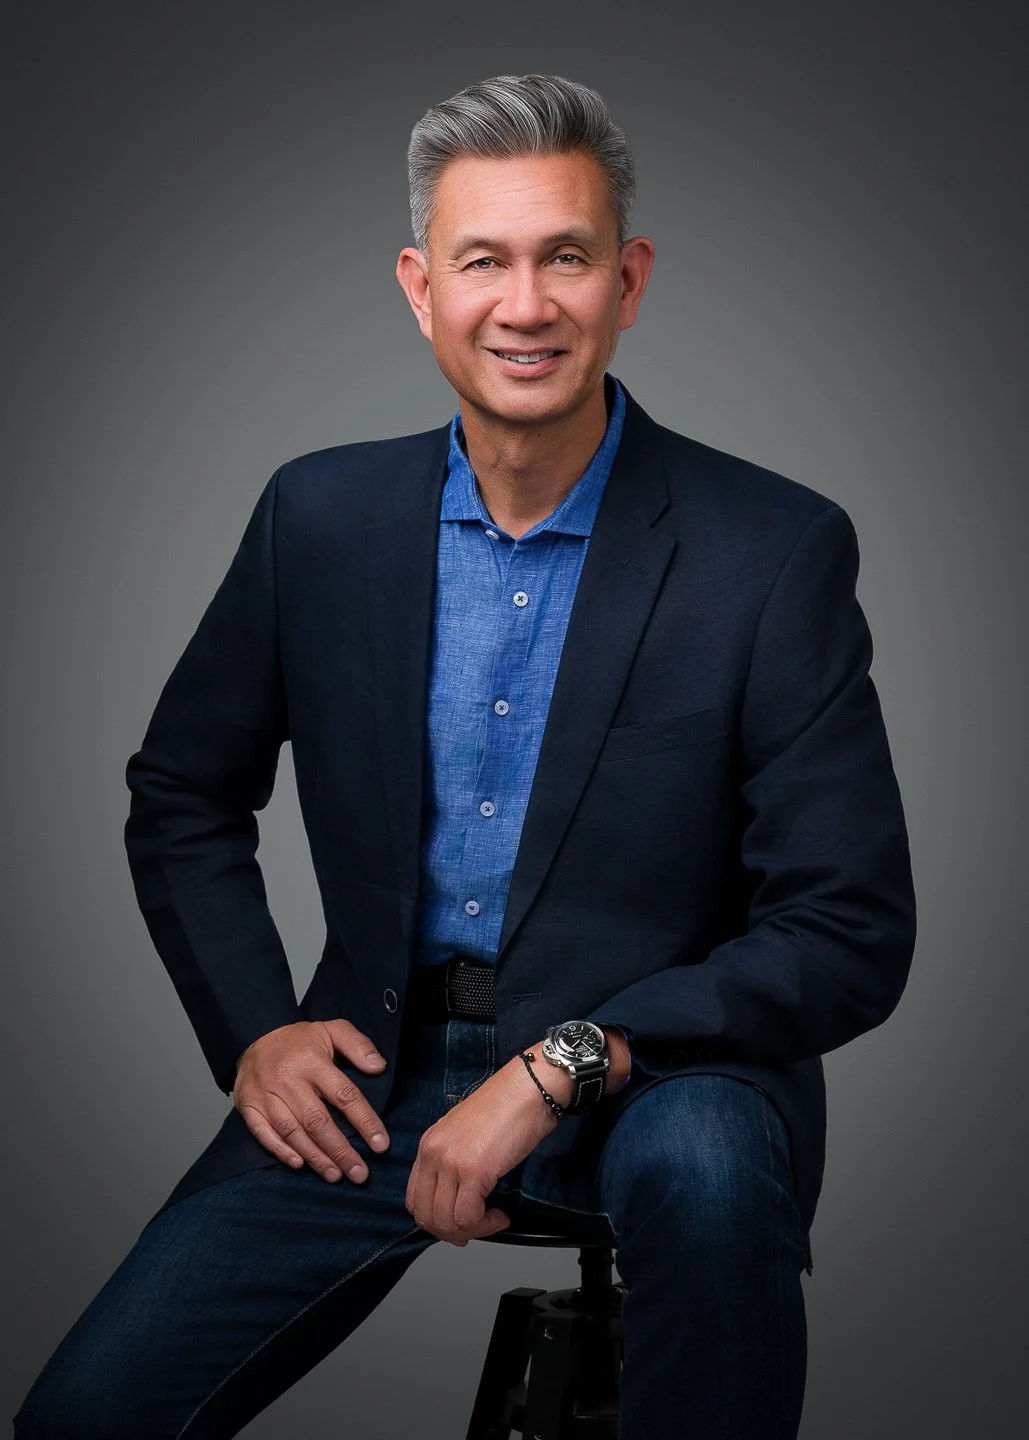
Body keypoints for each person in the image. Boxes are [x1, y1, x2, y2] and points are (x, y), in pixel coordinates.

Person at [14, 73, 916, 1439]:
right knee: (86, 1419)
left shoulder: (771, 552)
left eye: (567, 256)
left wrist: (565, 1060)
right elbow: (181, 792)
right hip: (371, 1075)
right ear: (418, 286)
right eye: (482, 259)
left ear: (631, 280)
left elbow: (850, 927)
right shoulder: (317, 516)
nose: (526, 302)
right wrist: (255, 1030)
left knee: (718, 1180)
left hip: (664, 1076)